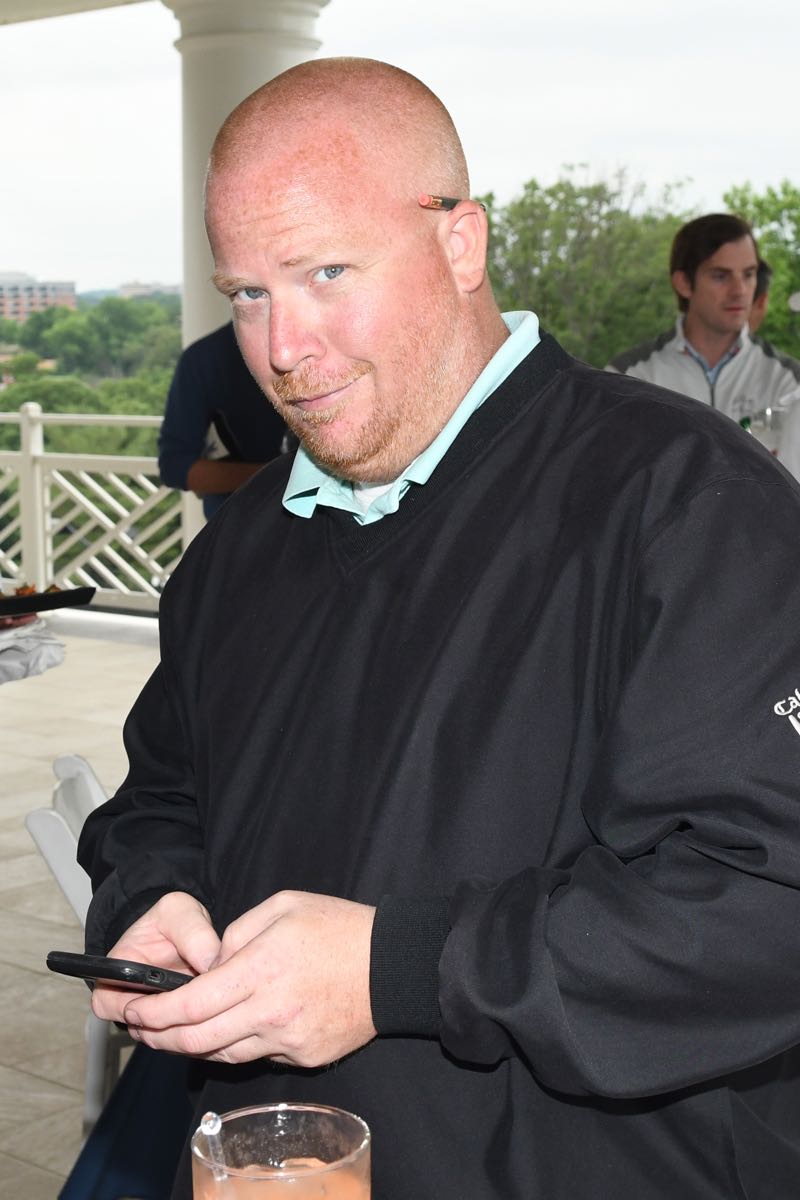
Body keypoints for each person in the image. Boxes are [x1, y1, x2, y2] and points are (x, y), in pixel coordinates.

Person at [78, 59, 800, 1200]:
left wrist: (395, 970)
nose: (281, 347)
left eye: (325, 272)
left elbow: (766, 905)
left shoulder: (685, 505)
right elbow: (160, 798)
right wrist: (149, 898)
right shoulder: (237, 550)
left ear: (460, 244)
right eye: (247, 294)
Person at [607, 213, 800, 427]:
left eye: (748, 274)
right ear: (683, 283)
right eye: (721, 276)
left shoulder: (789, 383)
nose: (740, 291)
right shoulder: (628, 379)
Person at [158, 319, 288, 519]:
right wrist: (284, 477)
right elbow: (176, 466)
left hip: (324, 524)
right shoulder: (205, 358)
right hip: (240, 524)